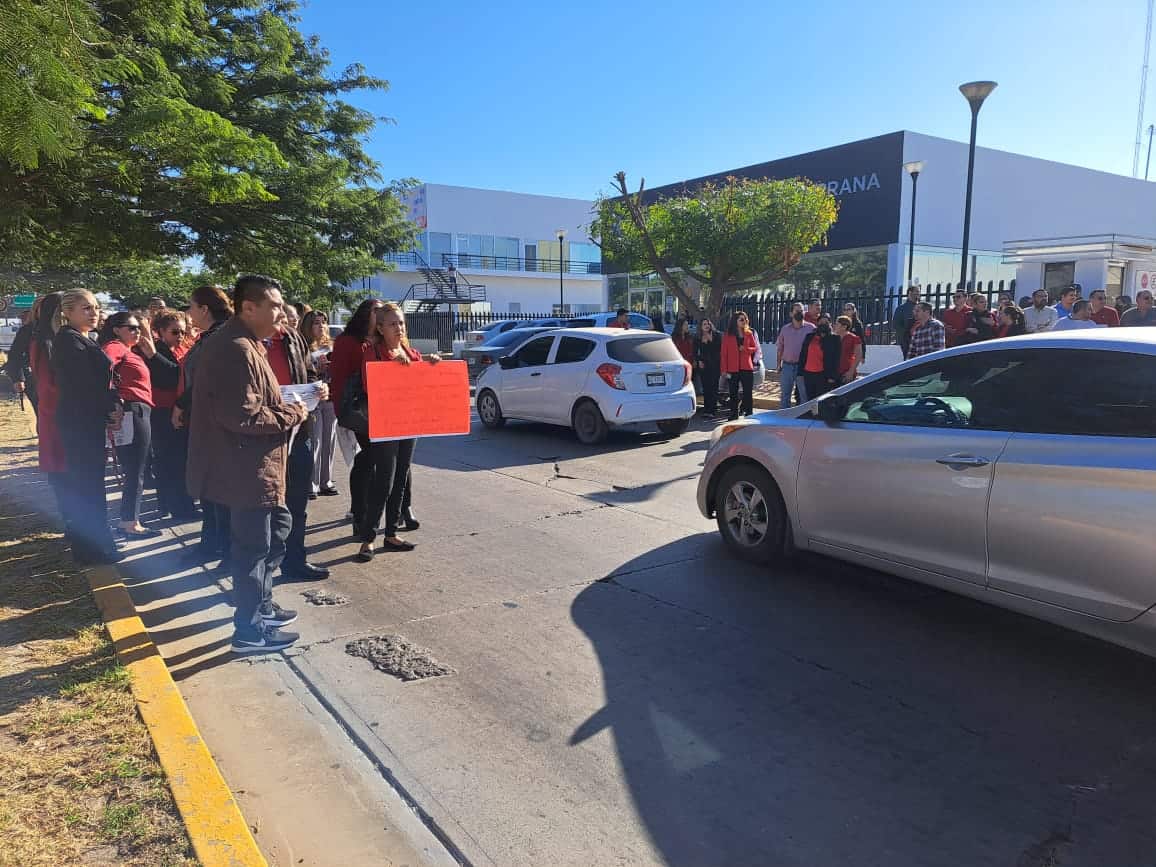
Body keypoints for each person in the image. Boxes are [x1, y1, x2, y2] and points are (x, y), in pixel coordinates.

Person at [187, 275, 311, 654]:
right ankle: (249, 631)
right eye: (274, 305)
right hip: (244, 468)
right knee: (252, 548)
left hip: (261, 467)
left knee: (277, 532)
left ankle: (262, 606)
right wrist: (294, 412)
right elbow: (243, 417)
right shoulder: (234, 348)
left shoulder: (250, 343)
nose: (282, 312)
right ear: (248, 308)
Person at [354, 303, 439, 562]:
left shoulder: (410, 352)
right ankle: (368, 538)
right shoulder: (373, 352)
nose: (399, 327)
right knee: (384, 482)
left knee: (401, 478)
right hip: (386, 425)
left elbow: (423, 384)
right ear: (379, 327)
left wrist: (432, 364)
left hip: (408, 423)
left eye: (401, 322)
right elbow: (371, 386)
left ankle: (390, 533)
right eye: (392, 323)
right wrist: (395, 367)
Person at [52, 290, 123, 564]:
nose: (93, 313)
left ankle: (95, 545)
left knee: (90, 485)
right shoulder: (69, 341)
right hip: (79, 423)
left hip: (86, 421)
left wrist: (112, 404)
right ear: (67, 312)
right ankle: (92, 549)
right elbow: (85, 385)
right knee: (87, 486)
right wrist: (110, 406)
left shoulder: (83, 338)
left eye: (95, 307)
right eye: (85, 308)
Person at [264, 307, 329, 582]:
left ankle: (294, 561)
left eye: (285, 314)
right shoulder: (245, 344)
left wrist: (318, 388)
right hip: (262, 438)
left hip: (298, 431)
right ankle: (259, 577)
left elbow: (309, 374)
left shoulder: (293, 340)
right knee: (263, 510)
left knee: (297, 502)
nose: (283, 318)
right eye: (276, 311)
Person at [175, 285, 234, 564]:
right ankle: (211, 543)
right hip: (202, 420)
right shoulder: (209, 336)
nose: (188, 313)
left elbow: (205, 381)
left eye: (191, 306)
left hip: (214, 422)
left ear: (204, 309)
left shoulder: (220, 336)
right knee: (208, 488)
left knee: (218, 489)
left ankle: (222, 547)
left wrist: (181, 403)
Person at [99, 311, 160, 538]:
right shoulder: (115, 347)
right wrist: (112, 399)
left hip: (136, 410)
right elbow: (104, 366)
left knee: (135, 469)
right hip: (131, 410)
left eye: (138, 328)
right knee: (136, 469)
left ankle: (129, 519)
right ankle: (129, 522)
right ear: (116, 329)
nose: (137, 332)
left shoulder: (127, 350)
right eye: (132, 328)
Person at [331, 298, 385, 527]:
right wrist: (342, 412)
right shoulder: (347, 341)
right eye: (376, 312)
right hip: (360, 411)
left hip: (384, 409)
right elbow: (339, 378)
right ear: (365, 314)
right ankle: (358, 510)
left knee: (374, 459)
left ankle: (368, 509)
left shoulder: (384, 340)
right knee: (368, 458)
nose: (380, 316)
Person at [147, 310, 196, 521]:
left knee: (174, 460)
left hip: (177, 410)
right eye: (175, 332)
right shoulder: (156, 351)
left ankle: (170, 503)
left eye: (183, 332)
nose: (180, 337)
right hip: (163, 411)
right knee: (172, 461)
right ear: (160, 331)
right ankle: (179, 507)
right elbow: (171, 376)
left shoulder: (179, 348)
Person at [29, 294, 68, 535]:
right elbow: (48, 386)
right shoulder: (44, 342)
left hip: (60, 415)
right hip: (57, 416)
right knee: (63, 474)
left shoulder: (58, 340)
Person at [301, 310, 338, 498]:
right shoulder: (303, 347)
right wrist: (317, 368)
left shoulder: (331, 346)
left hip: (330, 397)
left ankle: (326, 481)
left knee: (329, 441)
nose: (321, 326)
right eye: (317, 322)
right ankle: (312, 484)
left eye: (324, 322)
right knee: (315, 441)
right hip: (312, 399)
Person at [2, 297, 44, 413]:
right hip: (32, 378)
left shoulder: (60, 330)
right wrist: (18, 379)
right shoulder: (28, 331)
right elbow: (15, 356)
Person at [774, 303, 814, 409]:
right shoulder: (785, 329)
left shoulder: (811, 328)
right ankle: (784, 419)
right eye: (796, 311)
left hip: (803, 367)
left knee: (804, 396)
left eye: (801, 311)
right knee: (785, 396)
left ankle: (804, 420)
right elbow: (780, 348)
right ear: (791, 314)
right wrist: (778, 365)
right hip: (787, 366)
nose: (799, 313)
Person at [721, 311, 758, 420]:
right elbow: (723, 354)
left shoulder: (749, 333)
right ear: (735, 321)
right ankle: (734, 414)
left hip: (746, 367)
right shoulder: (728, 335)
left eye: (745, 319)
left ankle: (749, 412)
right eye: (741, 319)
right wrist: (723, 369)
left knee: (747, 392)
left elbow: (754, 348)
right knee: (733, 392)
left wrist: (745, 349)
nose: (744, 321)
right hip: (732, 368)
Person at [799, 319, 842, 399]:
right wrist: (800, 372)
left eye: (825, 322)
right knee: (809, 400)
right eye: (821, 322)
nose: (823, 324)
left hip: (823, 374)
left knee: (821, 400)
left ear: (830, 323)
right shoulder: (809, 336)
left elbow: (836, 359)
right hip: (808, 373)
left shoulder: (834, 338)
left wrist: (832, 377)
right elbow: (803, 354)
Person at [693, 317, 721, 417]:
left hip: (715, 365)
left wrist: (710, 341)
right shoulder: (698, 337)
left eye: (708, 324)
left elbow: (719, 350)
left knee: (714, 387)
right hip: (704, 365)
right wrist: (699, 360)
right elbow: (695, 352)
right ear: (701, 326)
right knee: (706, 388)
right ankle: (707, 409)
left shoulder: (716, 335)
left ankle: (713, 410)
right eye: (704, 324)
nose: (706, 326)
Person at [892, 285, 921, 357]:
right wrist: (907, 333)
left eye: (919, 292)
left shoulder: (922, 307)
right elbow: (896, 324)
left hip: (921, 341)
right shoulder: (901, 308)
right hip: (907, 343)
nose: (919, 294)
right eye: (917, 291)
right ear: (910, 293)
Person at [833, 315, 862, 383]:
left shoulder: (854, 338)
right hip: (833, 373)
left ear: (844, 327)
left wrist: (851, 372)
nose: (834, 326)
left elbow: (858, 356)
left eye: (837, 324)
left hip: (846, 373)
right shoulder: (832, 337)